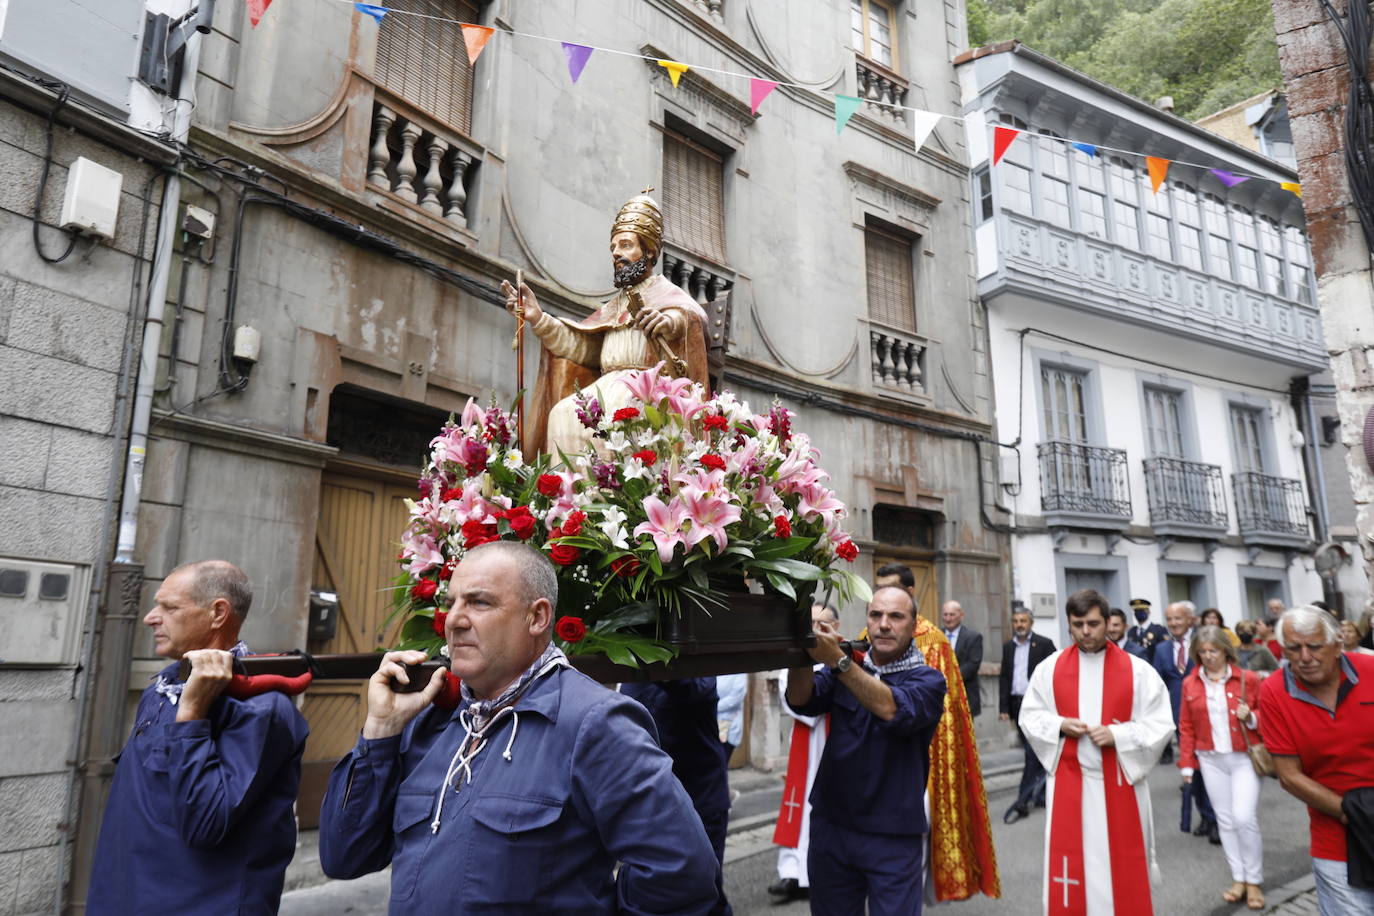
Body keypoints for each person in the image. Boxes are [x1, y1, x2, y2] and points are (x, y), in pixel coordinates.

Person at [318, 542, 720, 913]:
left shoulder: (594, 724)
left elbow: (681, 872)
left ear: (537, 617)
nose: (454, 619)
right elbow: (345, 856)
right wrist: (380, 730)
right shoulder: (429, 720)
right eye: (451, 602)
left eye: (479, 602)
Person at [86, 561, 310, 914]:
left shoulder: (261, 709)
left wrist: (191, 716)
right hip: (125, 895)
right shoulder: (164, 687)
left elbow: (206, 824)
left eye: (169, 607)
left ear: (218, 613)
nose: (150, 617)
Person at [503, 191, 708, 454]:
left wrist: (667, 322)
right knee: (562, 414)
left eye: (625, 245)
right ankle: (570, 494)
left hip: (645, 388)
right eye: (613, 248)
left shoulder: (667, 294)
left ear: (649, 251)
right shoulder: (614, 306)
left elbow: (690, 317)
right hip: (605, 385)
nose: (616, 253)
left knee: (616, 416)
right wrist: (538, 318)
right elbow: (582, 347)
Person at [786, 586, 948, 915]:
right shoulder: (848, 668)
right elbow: (802, 699)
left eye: (895, 616)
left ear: (913, 625)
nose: (884, 624)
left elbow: (890, 708)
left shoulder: (929, 680)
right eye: (876, 615)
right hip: (832, 826)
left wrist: (838, 661)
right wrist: (802, 651)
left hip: (892, 835)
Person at [1019, 589, 1175, 915]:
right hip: (1070, 784)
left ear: (1108, 623)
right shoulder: (1049, 669)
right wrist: (1060, 724)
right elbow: (1030, 717)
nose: (1086, 632)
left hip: (1120, 784)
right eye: (1078, 625)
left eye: (1093, 623)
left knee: (1118, 869)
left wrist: (1117, 734)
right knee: (1074, 869)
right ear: (1069, 625)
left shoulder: (1138, 670)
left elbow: (1161, 725)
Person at [875, 564, 1001, 900]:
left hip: (916, 755)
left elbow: (943, 711)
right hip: (873, 756)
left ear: (911, 594)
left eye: (892, 589)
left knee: (907, 850)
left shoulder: (934, 641)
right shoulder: (869, 632)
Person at [1260, 606, 1374, 915]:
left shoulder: (1371, 669)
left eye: (1314, 646)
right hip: (1336, 833)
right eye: (1294, 648)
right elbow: (1289, 775)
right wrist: (1355, 812)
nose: (1305, 657)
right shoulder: (1273, 691)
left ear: (1337, 644)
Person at [620, 677, 733, 916]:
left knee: (704, 896)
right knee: (651, 896)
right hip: (647, 806)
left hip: (700, 802)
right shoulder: (630, 679)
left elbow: (693, 687)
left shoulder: (695, 668)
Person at [1176, 626, 1267, 910]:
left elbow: (1270, 715)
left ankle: (1254, 880)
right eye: (1202, 652)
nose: (1208, 657)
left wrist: (1251, 717)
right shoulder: (1191, 683)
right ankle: (1238, 878)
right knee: (1225, 820)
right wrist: (1187, 764)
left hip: (1243, 757)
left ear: (1225, 650)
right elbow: (1186, 726)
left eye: (1213, 651)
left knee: (1243, 817)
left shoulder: (1248, 679)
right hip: (1210, 758)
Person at [769, 604, 841, 904]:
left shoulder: (839, 658)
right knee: (796, 806)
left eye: (820, 622)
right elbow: (796, 701)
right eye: (808, 622)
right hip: (805, 741)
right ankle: (792, 873)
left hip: (831, 743)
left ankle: (819, 874)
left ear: (834, 625)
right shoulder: (797, 658)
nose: (813, 628)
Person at [1152, 600, 1218, 838]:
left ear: (1190, 619)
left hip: (1208, 713)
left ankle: (1216, 818)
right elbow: (1156, 684)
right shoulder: (1161, 649)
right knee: (1192, 769)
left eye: (1178, 618)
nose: (1173, 623)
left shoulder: (1205, 642)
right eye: (1169, 619)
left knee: (1210, 766)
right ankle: (1205, 815)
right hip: (1180, 717)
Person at [999, 604, 1057, 823]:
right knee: (1033, 751)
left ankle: (1023, 799)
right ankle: (1041, 794)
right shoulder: (1008, 647)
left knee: (1033, 752)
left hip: (1039, 705)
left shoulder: (1044, 644)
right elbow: (1005, 677)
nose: (1019, 625)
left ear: (1031, 623)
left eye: (1023, 621)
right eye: (1016, 621)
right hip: (1016, 705)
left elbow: (1054, 676)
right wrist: (1003, 708)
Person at [942, 599, 984, 717]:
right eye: (945, 614)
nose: (948, 618)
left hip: (964, 695)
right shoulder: (936, 635)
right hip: (940, 697)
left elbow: (973, 665)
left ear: (961, 615)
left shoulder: (973, 637)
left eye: (952, 614)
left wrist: (948, 679)